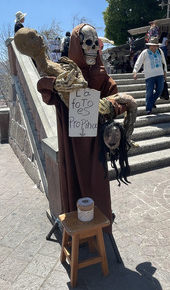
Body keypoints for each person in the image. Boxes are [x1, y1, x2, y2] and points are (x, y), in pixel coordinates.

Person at [37, 24, 130, 233]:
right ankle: (77, 228)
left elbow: (117, 98)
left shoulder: (102, 76)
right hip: (72, 142)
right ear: (78, 45)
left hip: (96, 142)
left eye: (95, 43)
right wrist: (57, 86)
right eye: (87, 43)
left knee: (97, 184)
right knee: (73, 183)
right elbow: (43, 86)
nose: (92, 49)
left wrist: (110, 106)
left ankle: (100, 227)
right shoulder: (65, 72)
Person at [133, 37, 167, 115]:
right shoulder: (145, 52)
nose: (152, 46)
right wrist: (135, 71)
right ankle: (148, 108)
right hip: (149, 75)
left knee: (159, 90)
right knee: (149, 92)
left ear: (157, 46)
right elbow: (139, 62)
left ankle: (151, 102)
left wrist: (165, 71)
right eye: (151, 45)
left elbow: (163, 62)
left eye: (154, 45)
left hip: (160, 74)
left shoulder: (160, 51)